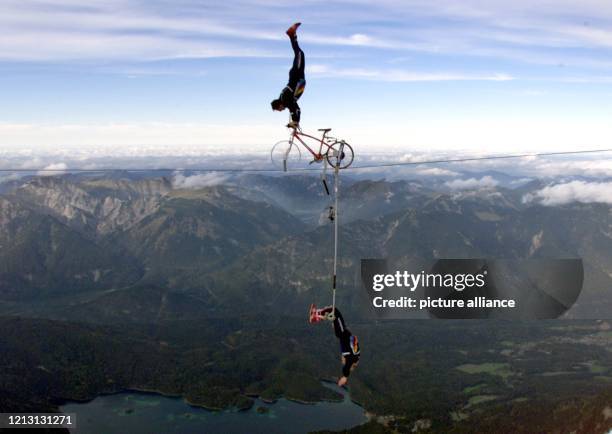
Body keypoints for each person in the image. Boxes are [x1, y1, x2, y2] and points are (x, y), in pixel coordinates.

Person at [309, 305, 360, 386]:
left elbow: (353, 339)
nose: (342, 360)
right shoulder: (351, 357)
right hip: (342, 332)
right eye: (343, 361)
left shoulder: (355, 354)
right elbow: (347, 366)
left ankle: (316, 315)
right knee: (334, 311)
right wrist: (345, 377)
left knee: (334, 311)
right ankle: (316, 315)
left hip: (342, 332)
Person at [271, 22, 305, 128]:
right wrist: (294, 122)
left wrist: (295, 122)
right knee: (299, 53)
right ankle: (292, 35)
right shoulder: (285, 100)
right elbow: (294, 109)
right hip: (297, 76)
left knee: (299, 53)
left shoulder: (285, 99)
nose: (280, 111)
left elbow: (295, 109)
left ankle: (292, 35)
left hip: (296, 74)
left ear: (279, 105)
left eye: (278, 109)